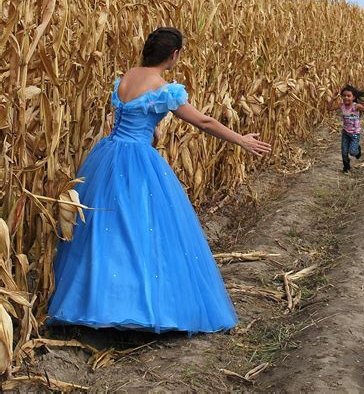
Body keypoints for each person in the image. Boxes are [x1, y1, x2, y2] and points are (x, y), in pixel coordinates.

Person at [48, 27, 271, 334]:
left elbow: (130, 118)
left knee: (106, 230)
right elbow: (203, 121)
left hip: (109, 155)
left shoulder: (127, 76)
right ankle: (137, 310)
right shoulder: (164, 87)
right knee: (139, 228)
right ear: (173, 55)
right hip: (138, 161)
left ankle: (95, 304)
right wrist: (241, 140)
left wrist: (152, 131)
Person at [327, 84, 364, 173]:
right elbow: (329, 108)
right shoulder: (341, 105)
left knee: (353, 152)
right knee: (344, 151)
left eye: (348, 96)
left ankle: (358, 150)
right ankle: (346, 168)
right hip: (345, 133)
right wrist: (333, 99)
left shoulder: (356, 106)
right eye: (344, 96)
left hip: (355, 134)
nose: (346, 98)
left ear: (353, 97)